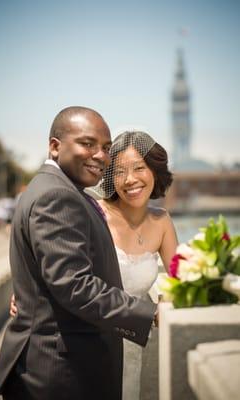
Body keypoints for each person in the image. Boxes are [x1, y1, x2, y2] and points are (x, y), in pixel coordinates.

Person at [0, 107, 157, 400]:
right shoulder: (57, 196)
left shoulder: (60, 190)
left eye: (105, 148)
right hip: (60, 374)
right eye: (88, 144)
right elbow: (75, 286)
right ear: (55, 146)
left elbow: (54, 278)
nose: (101, 156)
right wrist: (150, 313)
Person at [95, 131, 178, 400]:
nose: (130, 179)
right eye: (119, 171)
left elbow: (180, 278)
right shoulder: (95, 214)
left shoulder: (162, 221)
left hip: (136, 342)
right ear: (109, 176)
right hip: (93, 342)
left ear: (154, 170)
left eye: (139, 168)